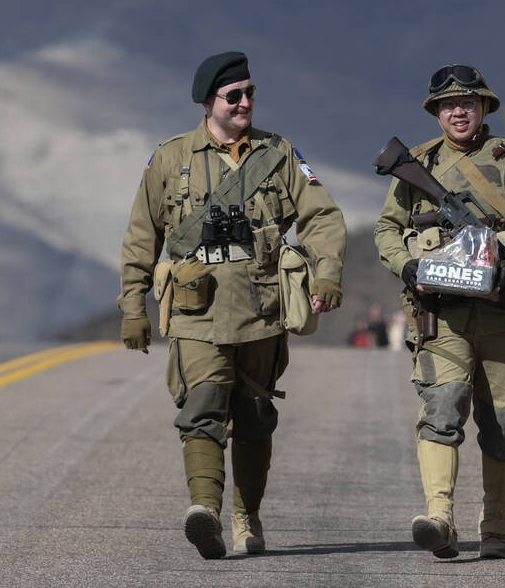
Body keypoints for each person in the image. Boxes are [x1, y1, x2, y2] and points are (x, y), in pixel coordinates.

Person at [118, 51, 346, 559]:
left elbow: (323, 216)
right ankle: (207, 511)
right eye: (233, 96)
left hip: (262, 311)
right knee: (202, 407)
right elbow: (141, 237)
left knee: (255, 416)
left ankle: (247, 513)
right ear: (207, 102)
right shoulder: (170, 160)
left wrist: (326, 272)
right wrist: (132, 305)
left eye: (250, 93)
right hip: (195, 313)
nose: (245, 103)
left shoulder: (278, 153)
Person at [373, 65, 505, 559]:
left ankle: (495, 524)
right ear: (436, 113)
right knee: (441, 410)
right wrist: (408, 265)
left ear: (485, 108)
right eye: (449, 105)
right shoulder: (416, 165)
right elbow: (387, 230)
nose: (459, 111)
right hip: (443, 316)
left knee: (503, 423)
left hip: (504, 315)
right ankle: (440, 518)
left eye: (469, 103)